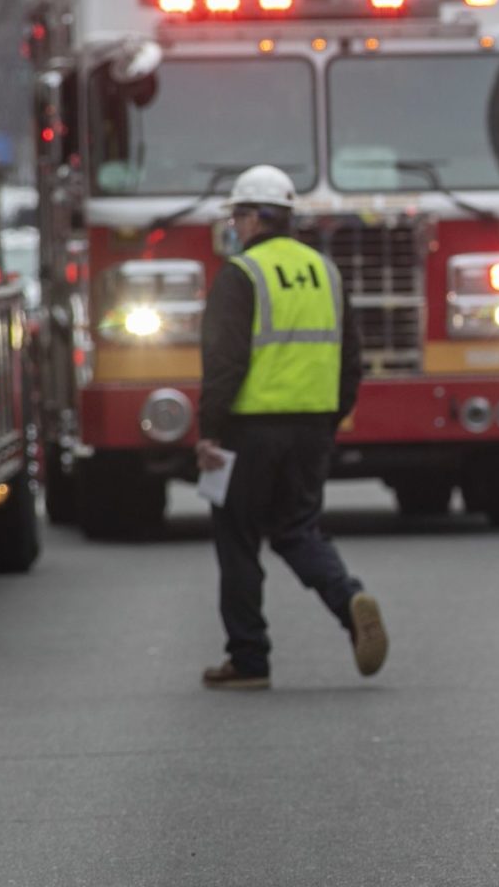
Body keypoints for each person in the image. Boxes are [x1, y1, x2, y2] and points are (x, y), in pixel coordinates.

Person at [196, 164, 387, 690]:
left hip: (248, 430)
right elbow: (352, 358)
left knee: (237, 537)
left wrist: (208, 431)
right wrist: (330, 420)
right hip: (310, 429)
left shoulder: (241, 274)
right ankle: (350, 603)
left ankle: (249, 659)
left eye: (237, 215)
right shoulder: (325, 272)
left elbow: (224, 362)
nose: (234, 225)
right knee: (297, 529)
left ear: (256, 218)